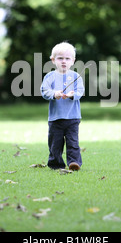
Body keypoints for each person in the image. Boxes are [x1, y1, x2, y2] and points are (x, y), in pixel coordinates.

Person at [40, 42, 84, 171]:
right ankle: (56, 164)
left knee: (73, 143)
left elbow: (80, 92)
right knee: (55, 144)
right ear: (53, 60)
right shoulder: (50, 76)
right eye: (60, 58)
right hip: (55, 118)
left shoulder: (76, 77)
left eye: (67, 58)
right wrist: (54, 94)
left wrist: (72, 95)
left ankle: (74, 163)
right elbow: (44, 91)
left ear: (73, 61)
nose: (64, 61)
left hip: (73, 117)